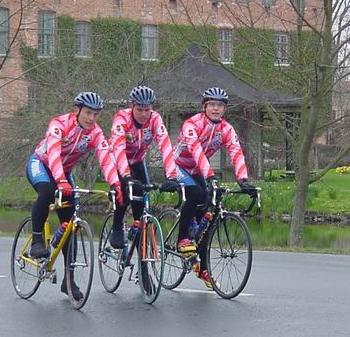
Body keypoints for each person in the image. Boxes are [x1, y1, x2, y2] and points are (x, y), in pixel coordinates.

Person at [26, 92, 123, 298]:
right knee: (46, 191)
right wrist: (60, 180)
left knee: (71, 225)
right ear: (77, 111)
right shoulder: (59, 125)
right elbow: (52, 152)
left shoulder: (95, 133)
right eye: (88, 113)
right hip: (42, 165)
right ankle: (36, 240)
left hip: (64, 173)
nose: (92, 118)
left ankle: (68, 280)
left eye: (96, 115)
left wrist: (115, 183)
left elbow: (105, 159)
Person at [173, 87, 257, 289]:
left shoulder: (226, 129)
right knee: (195, 193)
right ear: (204, 107)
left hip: (199, 170)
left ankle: (202, 267)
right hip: (180, 166)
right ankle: (183, 238)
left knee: (207, 218)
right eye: (212, 105)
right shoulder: (192, 124)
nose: (216, 109)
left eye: (220, 105)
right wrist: (210, 175)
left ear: (224, 109)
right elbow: (196, 151)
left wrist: (243, 180)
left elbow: (236, 152)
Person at [108, 85, 180, 249]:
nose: (143, 114)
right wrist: (126, 177)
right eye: (139, 109)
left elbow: (165, 145)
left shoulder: (155, 119)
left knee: (142, 199)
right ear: (132, 106)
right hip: (119, 161)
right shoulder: (122, 119)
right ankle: (117, 226)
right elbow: (118, 149)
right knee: (125, 193)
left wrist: (172, 176)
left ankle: (139, 234)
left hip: (138, 161)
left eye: (147, 110)